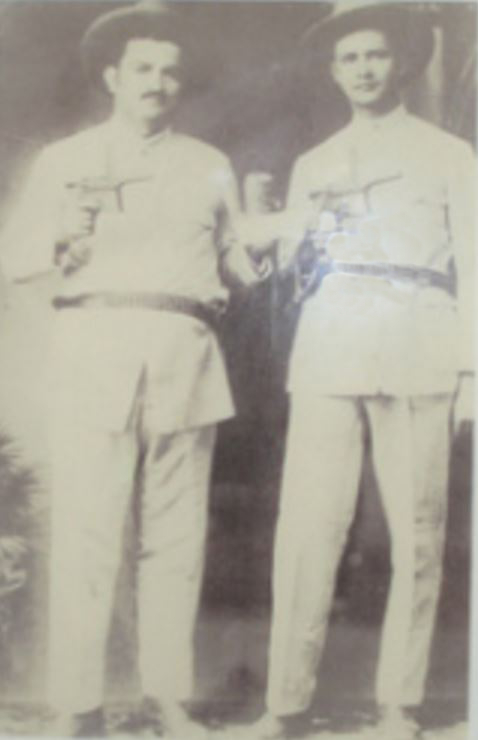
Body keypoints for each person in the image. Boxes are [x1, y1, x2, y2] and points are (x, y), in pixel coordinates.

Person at [0, 1, 267, 736]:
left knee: (175, 541)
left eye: (170, 72)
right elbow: (14, 256)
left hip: (186, 355)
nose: (157, 82)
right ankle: (78, 703)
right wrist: (60, 240)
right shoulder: (65, 161)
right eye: (143, 68)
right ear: (112, 77)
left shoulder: (209, 165)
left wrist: (266, 250)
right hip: (95, 349)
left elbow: (239, 267)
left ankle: (166, 698)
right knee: (86, 535)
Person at [252, 2, 475, 738]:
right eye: (349, 59)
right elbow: (292, 273)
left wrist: (472, 373)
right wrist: (283, 240)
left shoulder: (450, 155)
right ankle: (285, 704)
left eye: (376, 55)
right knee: (308, 528)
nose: (364, 69)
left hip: (419, 336)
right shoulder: (315, 163)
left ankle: (398, 704)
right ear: (333, 71)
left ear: (401, 62)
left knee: (418, 533)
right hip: (331, 339)